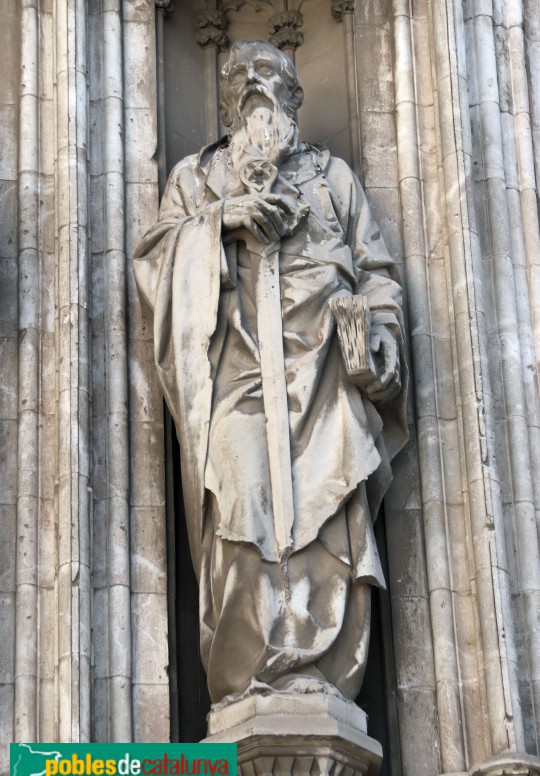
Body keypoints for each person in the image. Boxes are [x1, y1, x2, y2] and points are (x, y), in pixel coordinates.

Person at [133, 39, 408, 708]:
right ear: (228, 103)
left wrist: (377, 337)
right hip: (238, 379)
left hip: (324, 381)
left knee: (331, 520)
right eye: (244, 87)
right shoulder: (196, 180)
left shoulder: (332, 178)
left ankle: (323, 679)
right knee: (237, 503)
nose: (258, 94)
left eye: (272, 84)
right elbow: (154, 266)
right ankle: (244, 686)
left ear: (294, 99)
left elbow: (379, 277)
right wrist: (220, 223)